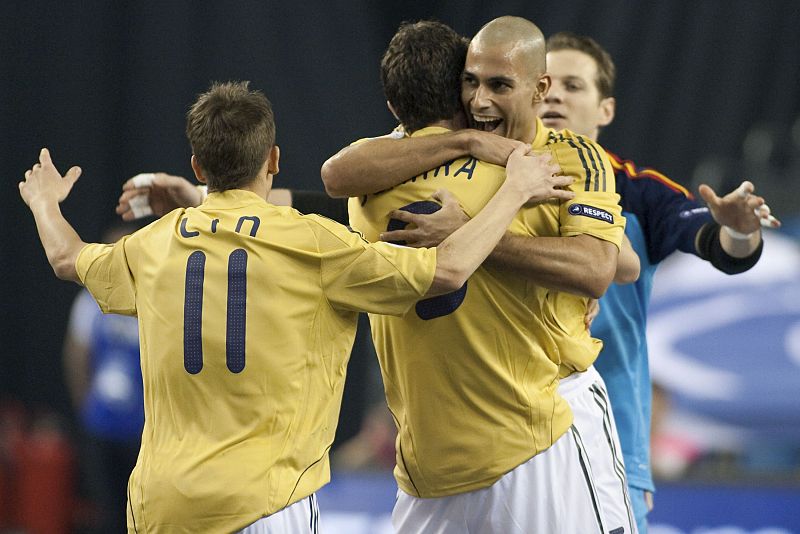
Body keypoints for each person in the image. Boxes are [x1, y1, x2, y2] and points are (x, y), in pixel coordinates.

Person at [18, 81, 564, 533]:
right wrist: (514, 190)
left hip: (163, 507)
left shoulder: (154, 243)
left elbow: (68, 259)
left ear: (198, 167)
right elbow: (447, 270)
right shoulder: (315, 244)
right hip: (265, 506)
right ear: (273, 159)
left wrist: (44, 203)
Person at [321, 16, 638, 533]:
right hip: (437, 456)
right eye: (471, 82)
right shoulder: (405, 159)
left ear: (539, 89)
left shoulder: (566, 156)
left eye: (499, 85)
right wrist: (468, 146)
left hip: (546, 416)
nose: (482, 100)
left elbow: (602, 267)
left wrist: (471, 230)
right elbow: (335, 173)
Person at [539, 32, 775, 532]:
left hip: (611, 444)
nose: (555, 95)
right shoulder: (490, 180)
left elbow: (721, 248)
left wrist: (738, 230)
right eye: (545, 84)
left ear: (605, 109)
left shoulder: (641, 193)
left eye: (573, 85)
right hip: (502, 442)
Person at [63, 224, 143, 534]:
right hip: (102, 424)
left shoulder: (149, 300)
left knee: (140, 513)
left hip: (142, 428)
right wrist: (85, 407)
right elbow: (76, 355)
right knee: (107, 512)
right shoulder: (89, 302)